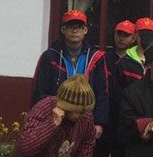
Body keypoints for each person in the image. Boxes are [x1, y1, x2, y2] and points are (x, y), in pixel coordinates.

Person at [87, 20, 136, 157]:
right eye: (119, 34)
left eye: (126, 35)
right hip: (103, 119)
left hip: (122, 123)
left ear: (133, 38)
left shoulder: (135, 61)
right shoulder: (103, 58)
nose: (121, 38)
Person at [31, 9, 108, 139]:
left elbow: (102, 91)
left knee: (82, 151)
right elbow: (39, 89)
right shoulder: (49, 56)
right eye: (71, 26)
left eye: (79, 27)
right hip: (56, 117)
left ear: (85, 30)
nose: (75, 30)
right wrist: (42, 118)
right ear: (63, 30)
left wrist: (99, 122)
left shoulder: (96, 57)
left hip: (85, 119)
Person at [116, 17, 153, 88]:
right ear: (135, 35)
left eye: (149, 33)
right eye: (142, 33)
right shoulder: (125, 61)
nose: (146, 36)